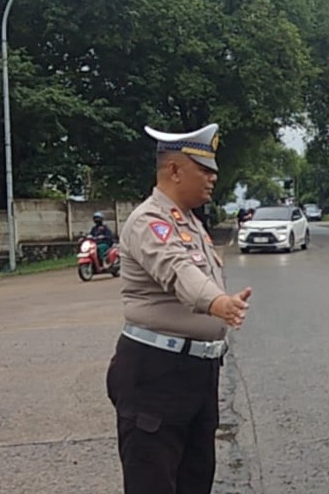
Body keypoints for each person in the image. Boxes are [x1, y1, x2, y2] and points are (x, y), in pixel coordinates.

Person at [105, 123, 252, 494]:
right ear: (174, 170)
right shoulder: (149, 221)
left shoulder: (191, 223)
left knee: (195, 481)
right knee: (152, 483)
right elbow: (177, 271)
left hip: (197, 374)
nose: (213, 178)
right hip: (156, 374)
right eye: (204, 169)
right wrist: (219, 303)